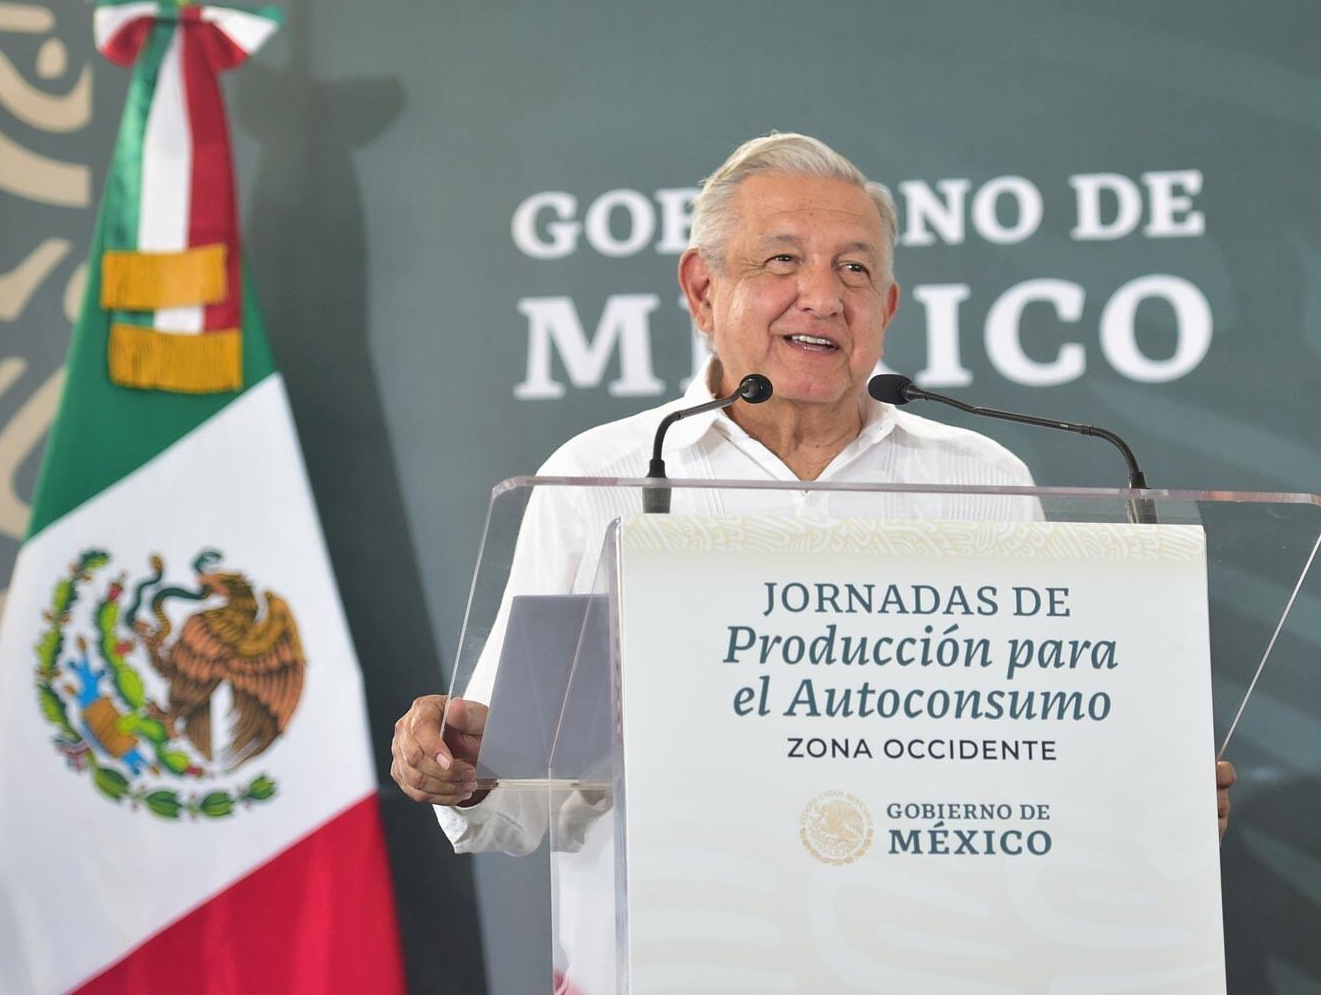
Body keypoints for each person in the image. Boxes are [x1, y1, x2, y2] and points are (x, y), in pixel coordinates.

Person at [390, 132, 1237, 845]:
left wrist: (1135, 797)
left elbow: (1027, 748)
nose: (824, 297)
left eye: (855, 270)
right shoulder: (599, 479)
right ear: (702, 289)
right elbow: (522, 795)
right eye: (782, 260)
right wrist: (463, 770)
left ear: (887, 308)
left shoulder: (981, 480)